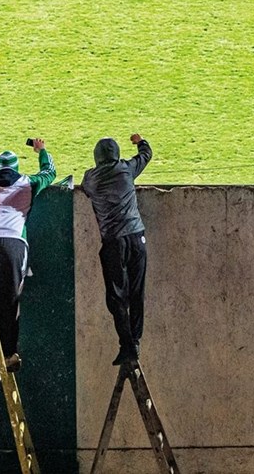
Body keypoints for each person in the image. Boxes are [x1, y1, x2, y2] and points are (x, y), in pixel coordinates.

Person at [0, 136, 56, 360]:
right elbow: (50, 172)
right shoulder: (29, 182)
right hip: (14, 246)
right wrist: (42, 151)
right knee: (9, 301)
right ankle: (7, 353)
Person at [82, 134, 153, 366]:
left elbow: (85, 188)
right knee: (136, 292)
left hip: (114, 242)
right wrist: (140, 141)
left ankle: (127, 344)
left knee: (116, 297)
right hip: (136, 236)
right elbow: (146, 155)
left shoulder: (91, 179)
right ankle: (135, 342)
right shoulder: (126, 169)